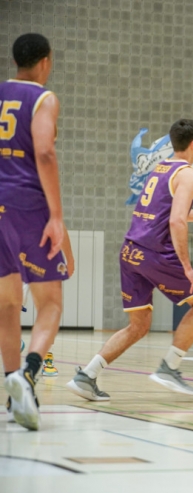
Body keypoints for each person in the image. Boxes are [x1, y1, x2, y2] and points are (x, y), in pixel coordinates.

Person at [66, 119, 193, 402]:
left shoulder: (160, 168)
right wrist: (187, 267)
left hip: (130, 251)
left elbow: (168, 212)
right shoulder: (189, 175)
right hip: (156, 254)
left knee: (139, 325)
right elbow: (176, 221)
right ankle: (169, 367)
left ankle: (87, 376)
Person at [0, 34, 73, 430]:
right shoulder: (43, 98)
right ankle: (28, 373)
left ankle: (13, 390)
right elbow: (44, 151)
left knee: (7, 303)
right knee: (51, 301)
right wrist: (56, 215)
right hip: (27, 204)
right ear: (45, 62)